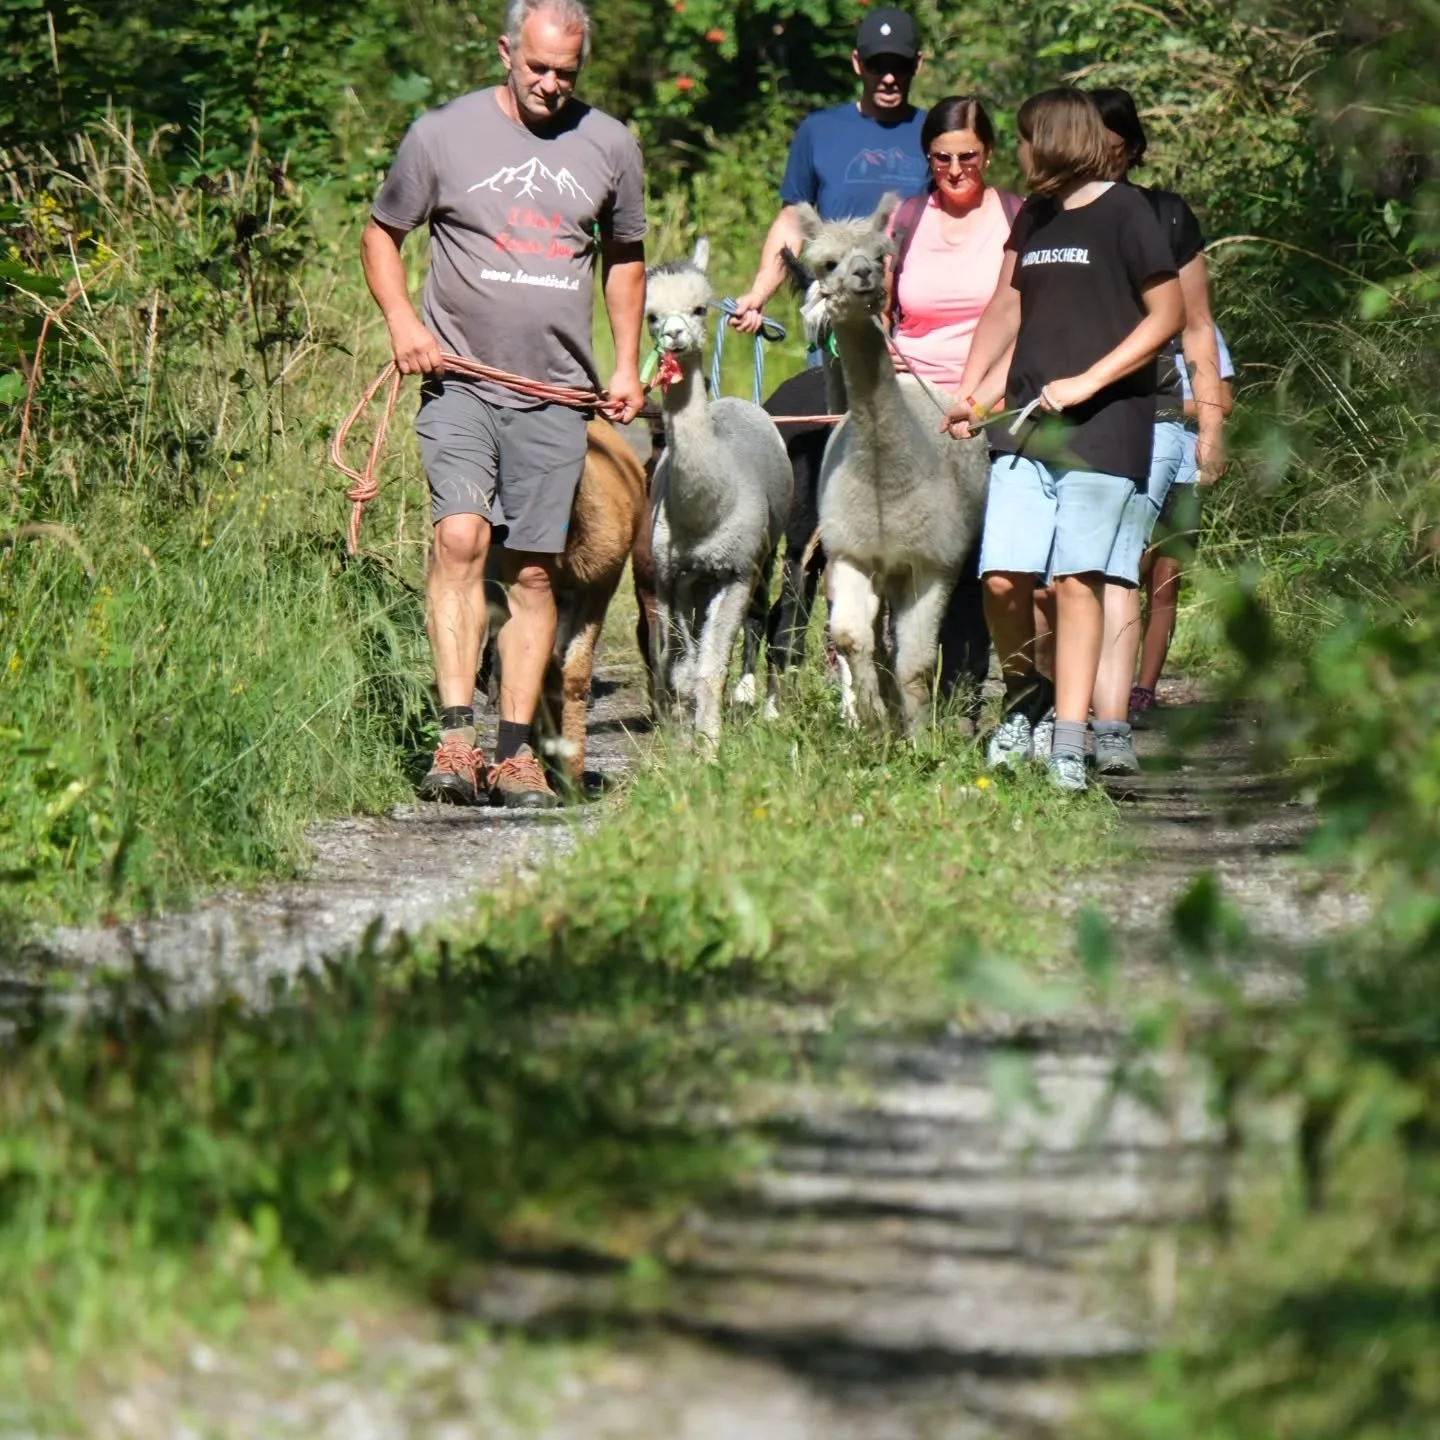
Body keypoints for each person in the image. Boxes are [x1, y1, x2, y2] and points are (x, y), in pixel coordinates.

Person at [362, 0, 645, 808]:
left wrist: (625, 364)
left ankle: (515, 753)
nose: (551, 84)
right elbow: (383, 233)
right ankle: (455, 742)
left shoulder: (610, 144)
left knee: (530, 570)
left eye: (567, 72)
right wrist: (403, 322)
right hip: (458, 380)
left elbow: (625, 258)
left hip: (556, 392)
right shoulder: (442, 135)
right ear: (504, 52)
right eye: (537, 68)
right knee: (460, 537)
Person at [942, 87, 1183, 793]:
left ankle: (1070, 741)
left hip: (1107, 428)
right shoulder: (1037, 218)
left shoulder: (1126, 213)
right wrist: (971, 390)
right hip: (1027, 426)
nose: (1015, 152)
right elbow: (1007, 306)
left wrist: (1088, 381)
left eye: (1022, 138)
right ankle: (1028, 696)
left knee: (1078, 582)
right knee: (1002, 577)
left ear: (1051, 139)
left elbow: (1166, 314)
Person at [1083, 85, 1226, 774]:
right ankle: (1063, 702)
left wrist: (1214, 427)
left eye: (1113, 148)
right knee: (1071, 572)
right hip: (1074, 418)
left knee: (1121, 565)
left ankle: (1105, 716)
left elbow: (1197, 327)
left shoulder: (1166, 216)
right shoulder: (1056, 215)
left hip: (1159, 414)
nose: (1102, 161)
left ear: (1132, 150)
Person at [885, 95, 1023, 706]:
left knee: (976, 561)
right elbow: (877, 310)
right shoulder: (907, 219)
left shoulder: (1019, 218)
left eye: (969, 155)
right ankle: (901, 692)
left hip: (992, 406)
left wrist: (983, 396)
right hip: (912, 403)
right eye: (942, 158)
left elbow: (1029, 316)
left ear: (989, 153)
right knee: (907, 553)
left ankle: (965, 694)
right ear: (928, 158)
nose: (957, 169)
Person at [731, 7, 929, 338]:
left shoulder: (934, 134)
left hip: (913, 327)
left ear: (917, 64)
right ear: (856, 63)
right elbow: (792, 223)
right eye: (877, 65)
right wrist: (759, 293)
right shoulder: (819, 130)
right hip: (836, 318)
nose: (889, 77)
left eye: (900, 65)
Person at [1130, 323, 1236, 723]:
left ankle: (1144, 688)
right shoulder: (1129, 319)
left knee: (1166, 579)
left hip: (1186, 472)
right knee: (1128, 570)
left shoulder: (1201, 330)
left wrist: (1162, 405)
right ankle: (1105, 679)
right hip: (1136, 461)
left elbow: (1222, 400)